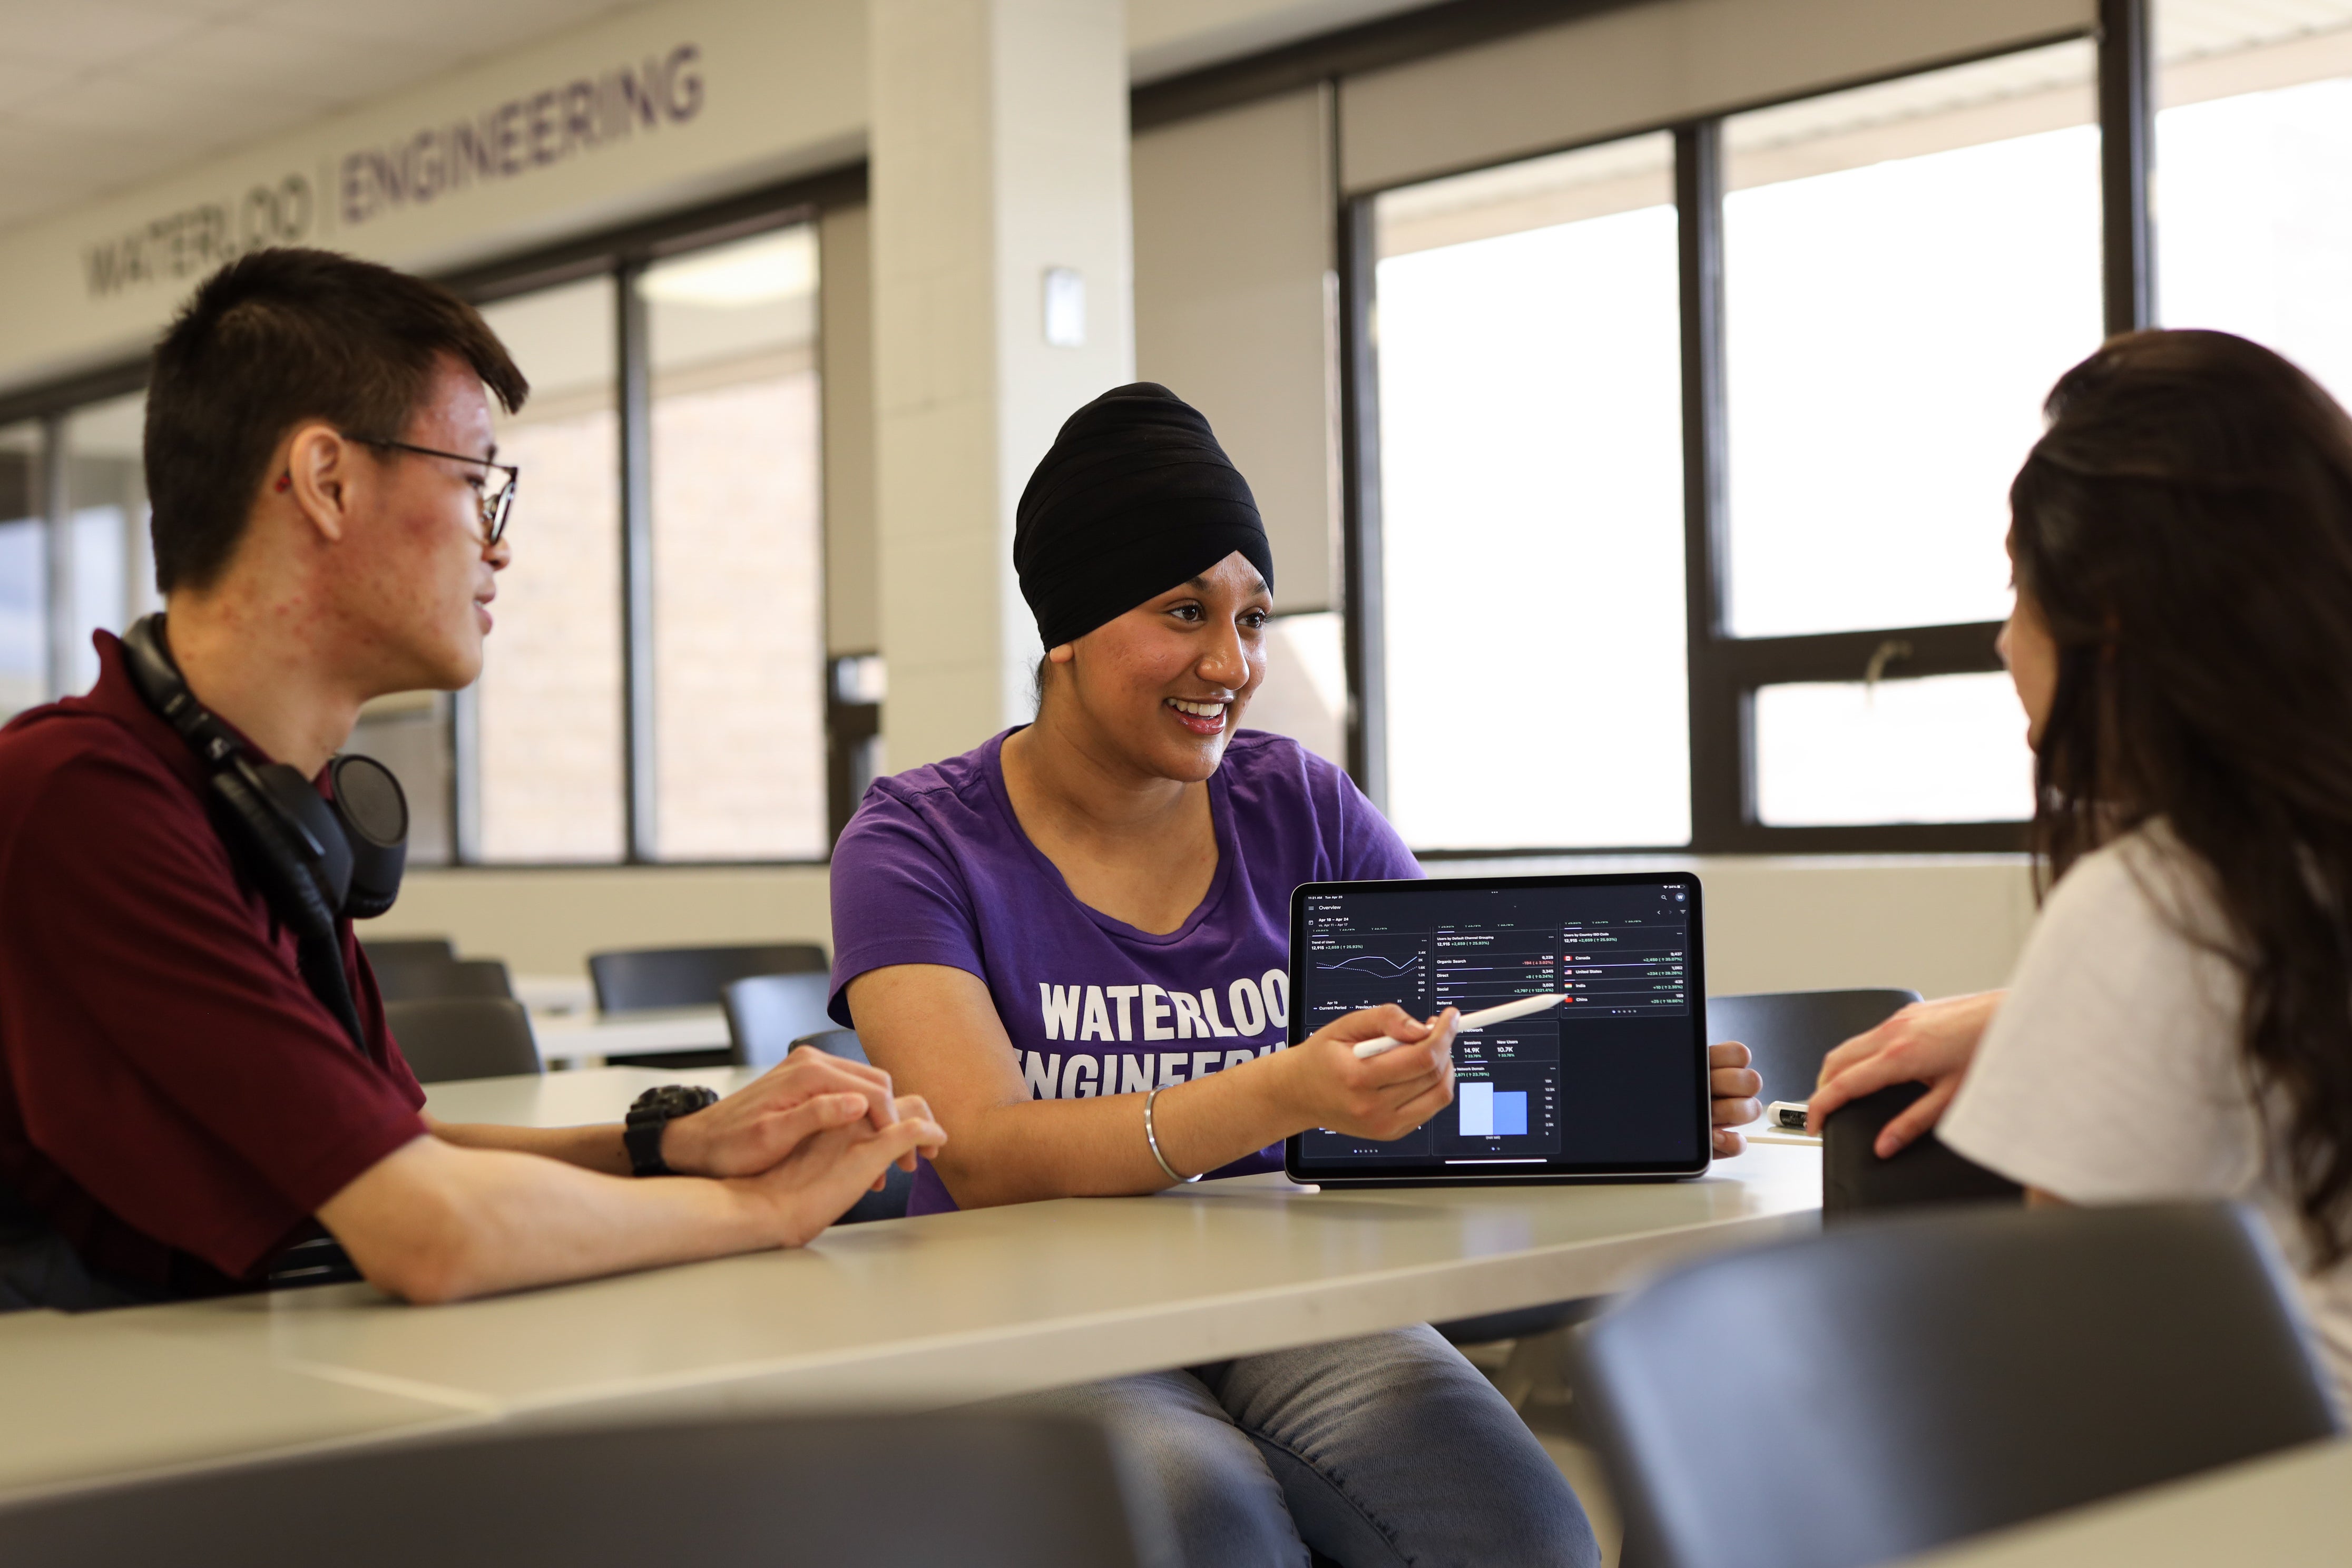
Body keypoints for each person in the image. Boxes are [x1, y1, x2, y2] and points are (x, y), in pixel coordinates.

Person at [828, 383, 1764, 1566]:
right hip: (1035, 1310)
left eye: (1253, 618)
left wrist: (1632, 1082)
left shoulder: (1301, 804)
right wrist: (1280, 1093)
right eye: (1183, 612)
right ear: (1065, 624)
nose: (1232, 662)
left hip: (1294, 1304)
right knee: (1207, 1529)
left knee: (1528, 1535)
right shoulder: (917, 841)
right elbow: (983, 1147)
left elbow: (1459, 1031)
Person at [0, 248, 944, 1311]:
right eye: (475, 483)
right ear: (327, 481)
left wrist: (675, 1146)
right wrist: (765, 1214)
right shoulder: (75, 802)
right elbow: (432, 1232)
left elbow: (400, 1149)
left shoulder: (260, 809)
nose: (497, 551)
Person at [1809, 329, 2352, 1404]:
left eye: (2021, 593)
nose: (2006, 644)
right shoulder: (2270, 887)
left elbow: (2074, 1381)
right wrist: (2041, 1011)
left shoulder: (2150, 904)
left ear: (2110, 615)